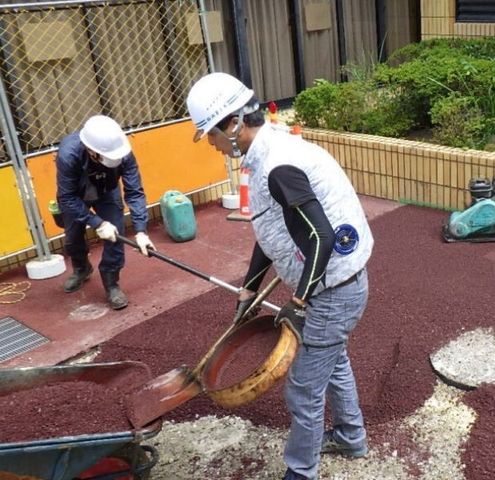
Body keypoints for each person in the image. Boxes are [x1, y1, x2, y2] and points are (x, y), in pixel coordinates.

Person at [186, 72, 374, 480]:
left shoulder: (278, 166)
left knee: (304, 388)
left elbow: (322, 236)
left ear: (233, 123)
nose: (214, 146)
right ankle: (350, 436)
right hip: (338, 280)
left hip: (335, 288)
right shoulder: (269, 154)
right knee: (331, 359)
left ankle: (300, 472)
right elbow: (274, 228)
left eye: (211, 135)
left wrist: (299, 302)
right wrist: (248, 288)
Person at [56, 115, 155, 309]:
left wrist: (141, 230)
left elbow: (134, 192)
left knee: (115, 235)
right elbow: (67, 197)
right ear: (92, 151)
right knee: (72, 237)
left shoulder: (123, 152)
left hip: (107, 190)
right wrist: (97, 223)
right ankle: (82, 268)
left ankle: (111, 283)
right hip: (76, 193)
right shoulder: (69, 155)